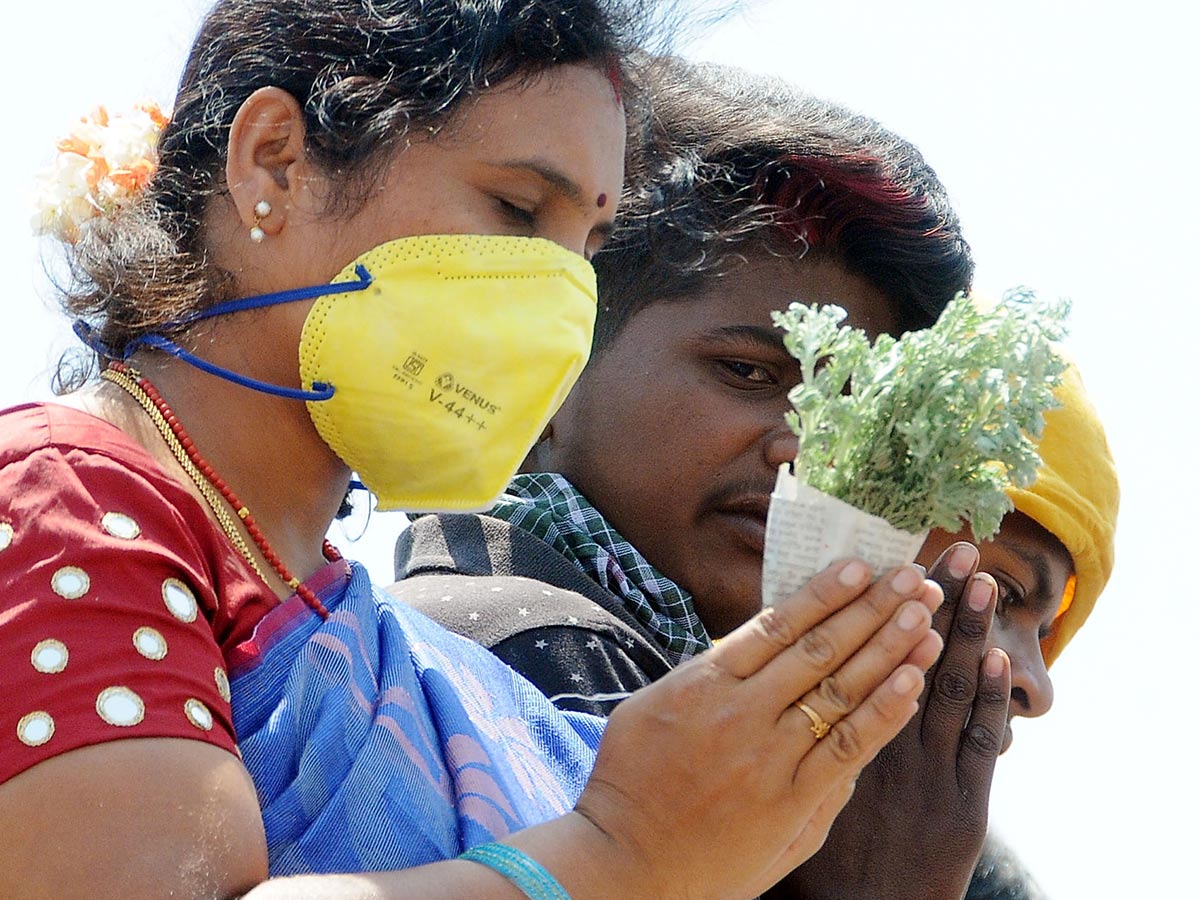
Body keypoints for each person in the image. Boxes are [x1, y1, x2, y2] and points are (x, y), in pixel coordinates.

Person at [0, 4, 946, 900]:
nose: (562, 300)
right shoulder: (64, 501)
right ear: (275, 164)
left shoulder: (373, 629)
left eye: (588, 248)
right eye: (521, 208)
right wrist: (621, 856)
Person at [391, 58, 1116, 900]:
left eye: (851, 415)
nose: (803, 452)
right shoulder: (515, 660)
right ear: (556, 373)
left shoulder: (713, 697)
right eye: (746, 372)